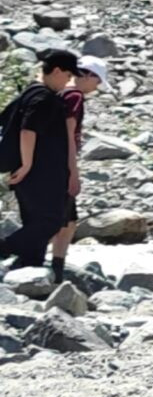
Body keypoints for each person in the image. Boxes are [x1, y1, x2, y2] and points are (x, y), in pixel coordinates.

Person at [1, 50, 79, 270]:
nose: (68, 82)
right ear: (56, 71)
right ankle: (4, 249)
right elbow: (28, 131)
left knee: (34, 224)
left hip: (29, 173)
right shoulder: (43, 97)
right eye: (67, 75)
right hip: (38, 173)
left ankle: (27, 271)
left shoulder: (28, 93)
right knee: (50, 222)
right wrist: (26, 165)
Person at [43, 56, 113, 275]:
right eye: (97, 81)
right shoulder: (74, 96)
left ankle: (53, 265)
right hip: (60, 165)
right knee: (62, 221)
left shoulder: (57, 91)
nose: (97, 87)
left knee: (68, 220)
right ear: (87, 75)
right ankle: (51, 266)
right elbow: (68, 133)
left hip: (47, 162)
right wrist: (73, 171)